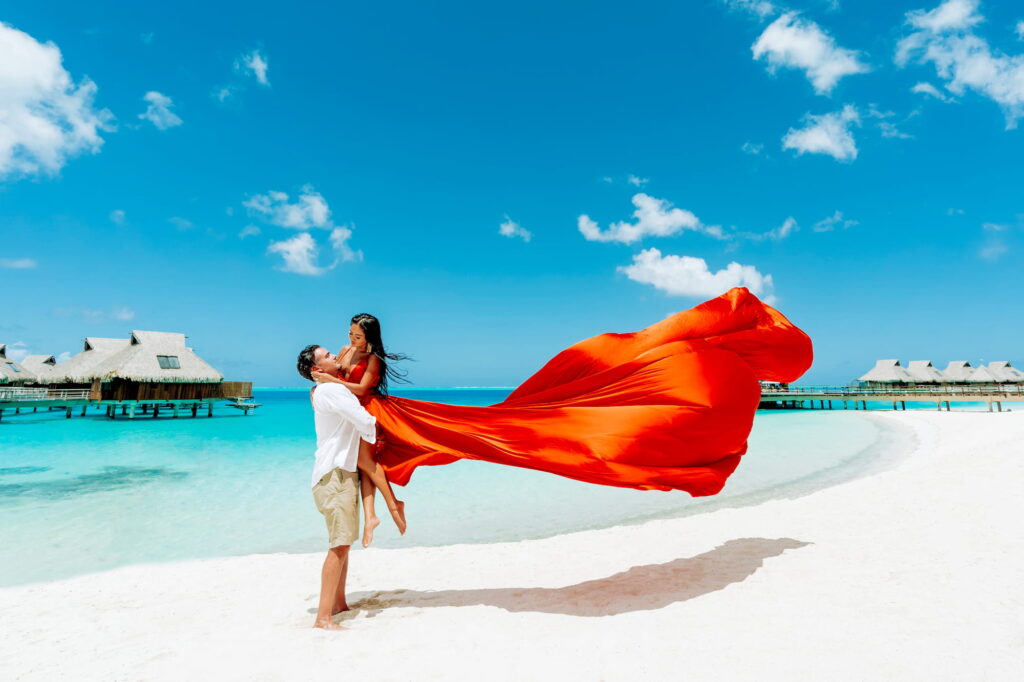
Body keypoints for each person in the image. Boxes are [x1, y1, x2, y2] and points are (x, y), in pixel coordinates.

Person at [296, 344, 377, 630]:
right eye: (328, 356)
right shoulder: (332, 390)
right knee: (339, 545)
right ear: (318, 369)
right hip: (335, 475)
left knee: (344, 543)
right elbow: (365, 421)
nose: (335, 357)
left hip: (337, 474)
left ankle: (340, 603)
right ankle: (323, 617)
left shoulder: (326, 389)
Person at [311, 313, 408, 547]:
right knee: (361, 465)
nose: (353, 339)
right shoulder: (345, 350)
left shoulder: (373, 359)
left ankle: (394, 504)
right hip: (349, 411)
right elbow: (333, 373)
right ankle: (371, 518)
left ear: (369, 336)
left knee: (365, 462)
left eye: (358, 336)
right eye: (350, 333)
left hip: (369, 410)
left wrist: (332, 383)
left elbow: (363, 389)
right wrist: (318, 388)